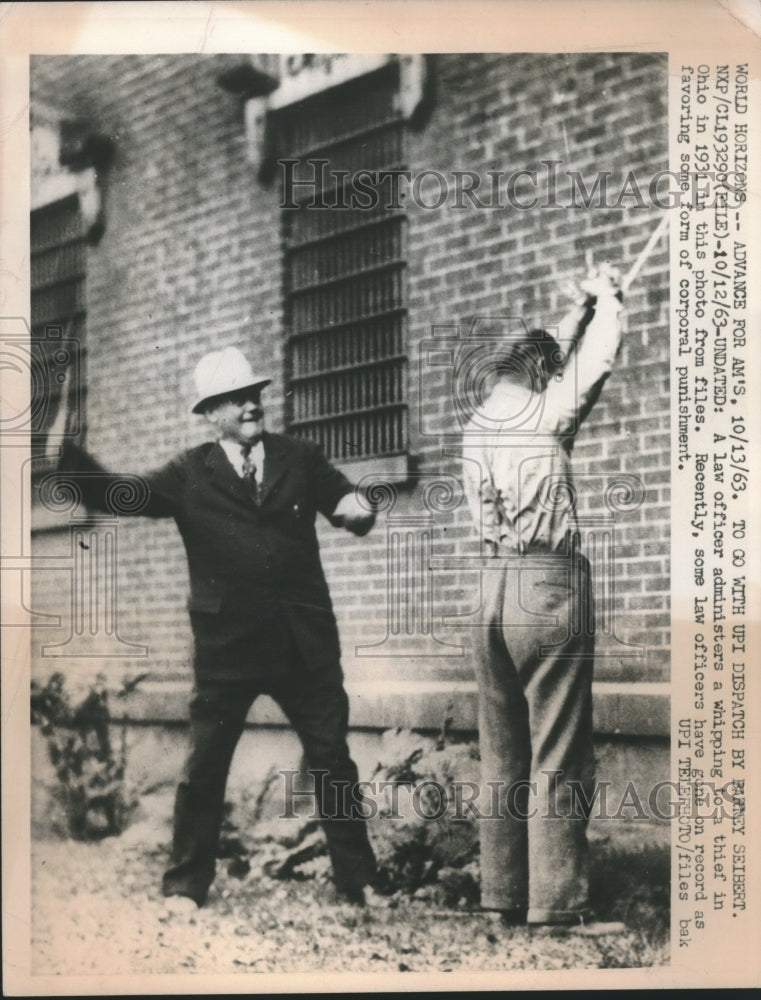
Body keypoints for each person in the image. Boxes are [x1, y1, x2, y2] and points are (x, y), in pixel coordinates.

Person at [54, 345, 379, 914]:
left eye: (254, 394)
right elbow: (120, 496)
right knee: (205, 767)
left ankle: (361, 881)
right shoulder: (188, 472)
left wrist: (359, 506)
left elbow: (342, 497)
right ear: (211, 413)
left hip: (304, 642)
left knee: (332, 759)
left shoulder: (299, 456)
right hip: (227, 647)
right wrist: (66, 458)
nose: (251, 404)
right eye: (236, 398)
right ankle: (185, 886)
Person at [461, 263, 626, 935]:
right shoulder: (547, 408)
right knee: (557, 747)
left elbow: (554, 356)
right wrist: (609, 300)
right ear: (542, 376)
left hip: (490, 590)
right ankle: (557, 907)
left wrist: (576, 309)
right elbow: (594, 365)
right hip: (544, 585)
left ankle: (501, 899)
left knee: (502, 752)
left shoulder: (482, 419)